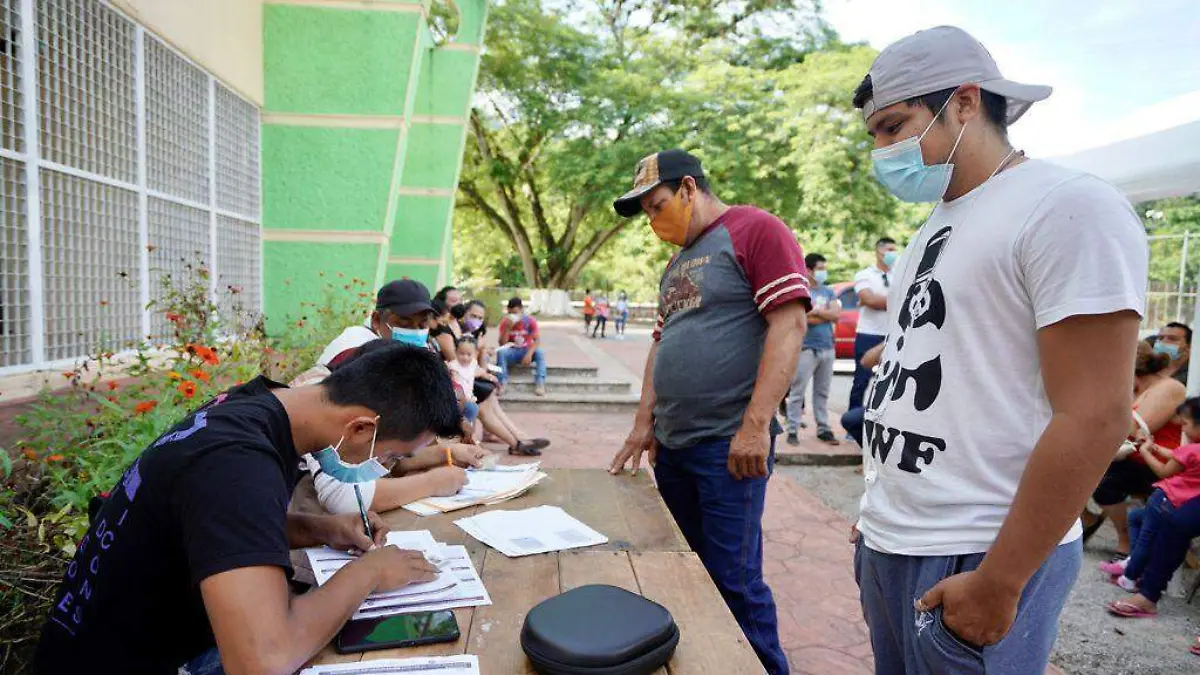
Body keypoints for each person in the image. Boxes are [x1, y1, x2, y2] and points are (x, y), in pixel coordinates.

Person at [850, 26, 1147, 675]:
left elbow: (1096, 413)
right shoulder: (933, 226)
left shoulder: (1065, 206)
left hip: (978, 548)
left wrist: (1003, 578)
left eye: (894, 126)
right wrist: (882, 510)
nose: (882, 150)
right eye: (874, 133)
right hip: (895, 539)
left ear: (964, 102)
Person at [34, 344, 463, 675]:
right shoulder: (237, 462)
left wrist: (322, 528)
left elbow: (217, 524)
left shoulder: (252, 407)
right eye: (388, 457)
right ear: (361, 427)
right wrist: (369, 573)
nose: (382, 468)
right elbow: (263, 660)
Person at [608, 148, 809, 675]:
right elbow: (663, 343)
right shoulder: (675, 265)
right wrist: (642, 424)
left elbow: (788, 327)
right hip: (674, 447)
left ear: (689, 189)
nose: (652, 221)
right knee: (684, 569)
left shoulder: (755, 230)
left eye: (656, 206)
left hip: (728, 446)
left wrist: (755, 427)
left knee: (734, 579)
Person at [295, 340, 488, 515]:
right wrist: (432, 482)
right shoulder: (322, 410)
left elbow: (384, 455)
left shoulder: (338, 401)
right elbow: (345, 497)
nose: (384, 467)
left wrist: (447, 452)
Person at [1084, 342, 1186, 557]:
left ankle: (1126, 540)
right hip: (1136, 460)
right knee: (1073, 467)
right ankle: (1093, 522)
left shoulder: (1168, 388)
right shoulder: (1139, 389)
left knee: (1102, 480)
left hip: (1162, 464)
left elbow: (1135, 429)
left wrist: (1112, 395)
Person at [1103, 398, 1200, 619]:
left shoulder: (1193, 450)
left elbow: (1166, 470)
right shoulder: (1192, 450)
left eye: (1184, 423)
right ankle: (1136, 570)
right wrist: (1155, 447)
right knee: (1142, 520)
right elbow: (1177, 456)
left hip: (1171, 501)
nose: (1181, 428)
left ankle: (1135, 575)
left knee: (1158, 528)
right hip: (1172, 502)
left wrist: (1147, 451)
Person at [785, 253, 841, 446]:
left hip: (827, 348)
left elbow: (835, 315)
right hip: (806, 348)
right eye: (820, 268)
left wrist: (815, 312)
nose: (823, 272)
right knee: (797, 391)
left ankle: (823, 428)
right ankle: (792, 428)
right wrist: (821, 315)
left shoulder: (828, 292)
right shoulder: (801, 291)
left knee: (822, 392)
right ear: (808, 270)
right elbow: (801, 318)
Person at [849, 237, 897, 411]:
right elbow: (868, 299)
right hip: (868, 334)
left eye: (895, 250)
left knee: (890, 380)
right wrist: (894, 301)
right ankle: (852, 421)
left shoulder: (899, 274)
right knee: (861, 380)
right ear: (879, 251)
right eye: (890, 250)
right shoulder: (864, 275)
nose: (894, 254)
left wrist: (879, 301)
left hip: (892, 334)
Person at [497, 297, 547, 397]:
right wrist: (507, 328)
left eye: (515, 313)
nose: (513, 316)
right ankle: (502, 383)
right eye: (511, 313)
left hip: (526, 350)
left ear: (521, 310)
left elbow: (537, 340)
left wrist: (529, 353)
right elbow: (502, 344)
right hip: (512, 351)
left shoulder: (529, 321)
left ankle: (540, 383)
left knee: (540, 353)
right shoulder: (505, 322)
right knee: (501, 353)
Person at [841, 342, 884, 449]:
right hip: (882, 406)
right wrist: (889, 339)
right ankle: (869, 453)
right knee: (850, 419)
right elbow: (865, 361)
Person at [1157, 322, 1191, 387]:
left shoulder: (1192, 376)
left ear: (1188, 347)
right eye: (1160, 338)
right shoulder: (1148, 368)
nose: (1163, 342)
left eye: (1172, 339)